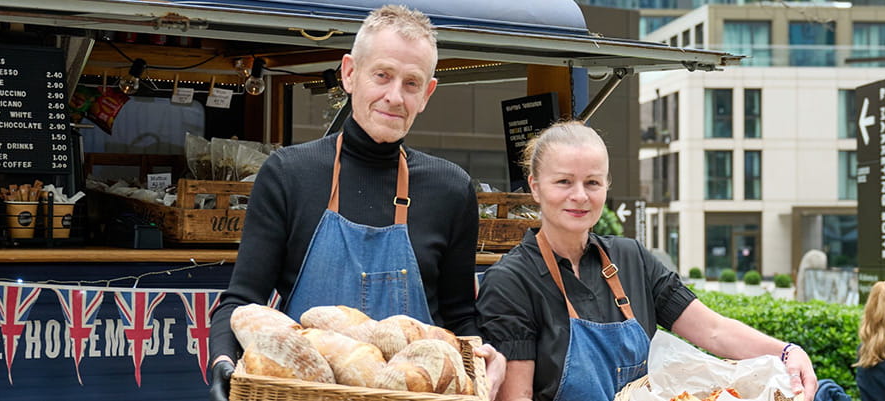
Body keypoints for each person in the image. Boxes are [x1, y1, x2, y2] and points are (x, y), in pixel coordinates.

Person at [206, 5, 505, 401]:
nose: (394, 96)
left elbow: (459, 316)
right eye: (382, 75)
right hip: (305, 393)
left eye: (412, 83)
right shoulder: (289, 174)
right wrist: (223, 363)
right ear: (349, 73)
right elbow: (242, 303)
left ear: (428, 93)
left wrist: (480, 358)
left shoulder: (451, 189)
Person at [476, 121, 817, 401]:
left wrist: (786, 352)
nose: (579, 196)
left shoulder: (631, 258)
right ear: (535, 187)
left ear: (607, 186)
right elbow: (515, 397)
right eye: (563, 181)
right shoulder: (511, 281)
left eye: (592, 182)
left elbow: (713, 331)